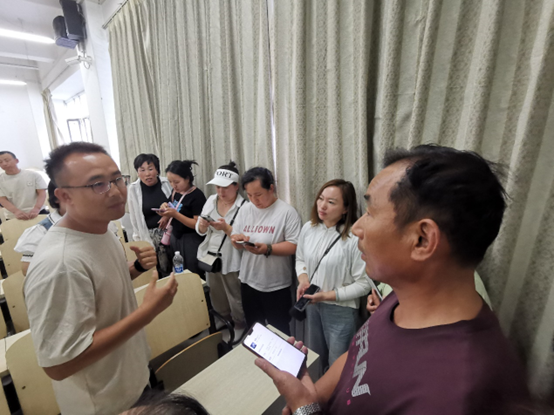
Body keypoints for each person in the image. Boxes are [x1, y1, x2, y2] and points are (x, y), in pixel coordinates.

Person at [256, 145, 530, 415]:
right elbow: (356, 357)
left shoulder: (461, 393)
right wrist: (310, 395)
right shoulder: (402, 296)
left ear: (422, 239)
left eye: (371, 213)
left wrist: (305, 410)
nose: (358, 228)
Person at [24, 142, 178, 415]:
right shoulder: (59, 263)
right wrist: (147, 312)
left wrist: (136, 268)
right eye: (98, 184)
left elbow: (98, 290)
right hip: (103, 402)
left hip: (132, 380)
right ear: (64, 196)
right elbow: (59, 366)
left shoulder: (101, 229)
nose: (116, 190)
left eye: (117, 179)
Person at [296, 179, 370, 372]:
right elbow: (300, 259)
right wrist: (303, 280)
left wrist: (327, 296)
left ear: (346, 209)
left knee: (339, 366)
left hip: (341, 310)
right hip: (312, 305)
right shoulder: (309, 228)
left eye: (331, 202)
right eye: (321, 198)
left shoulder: (354, 237)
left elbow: (364, 284)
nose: (322, 206)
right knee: (314, 357)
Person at [231, 167, 302, 336]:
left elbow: (294, 245)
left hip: (276, 285)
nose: (254, 200)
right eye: (249, 195)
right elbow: (235, 240)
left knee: (279, 331)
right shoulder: (246, 209)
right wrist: (237, 240)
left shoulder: (286, 212)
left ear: (271, 188)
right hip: (248, 280)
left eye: (258, 194)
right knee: (254, 329)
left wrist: (267, 249)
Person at [196, 161, 247, 334]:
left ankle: (239, 324)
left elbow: (245, 238)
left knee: (235, 294)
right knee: (216, 292)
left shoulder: (244, 207)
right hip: (210, 255)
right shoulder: (212, 200)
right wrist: (202, 225)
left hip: (232, 256)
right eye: (218, 187)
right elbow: (200, 229)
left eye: (225, 187)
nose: (220, 192)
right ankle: (223, 320)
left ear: (236, 186)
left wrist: (226, 228)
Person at [128, 153, 173, 275]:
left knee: (173, 269)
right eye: (142, 170)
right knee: (155, 272)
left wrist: (168, 215)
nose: (147, 174)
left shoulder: (167, 183)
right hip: (148, 236)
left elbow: (177, 204)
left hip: (170, 234)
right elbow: (134, 218)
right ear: (137, 172)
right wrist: (138, 240)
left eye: (150, 169)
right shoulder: (133, 189)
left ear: (157, 170)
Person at [161, 160, 207, 278]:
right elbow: (170, 205)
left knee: (192, 272)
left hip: (191, 239)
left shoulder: (197, 196)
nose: (173, 185)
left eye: (177, 182)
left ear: (187, 179)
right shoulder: (175, 192)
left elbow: (197, 224)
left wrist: (176, 215)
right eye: (170, 182)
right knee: (178, 270)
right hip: (175, 236)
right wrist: (164, 210)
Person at [0, 151, 47, 220]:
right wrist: (16, 211)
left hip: (38, 212)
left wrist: (37, 208)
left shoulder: (33, 175)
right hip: (13, 215)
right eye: (0, 162)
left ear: (16, 161)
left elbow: (41, 192)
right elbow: (2, 199)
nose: (4, 164)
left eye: (7, 160)